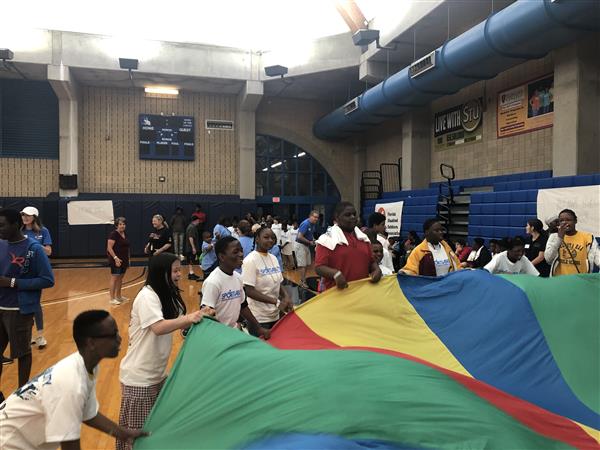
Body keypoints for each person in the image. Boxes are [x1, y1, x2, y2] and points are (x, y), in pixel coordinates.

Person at [0, 310, 147, 450]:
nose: (119, 339)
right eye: (113, 335)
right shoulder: (71, 383)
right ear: (91, 343)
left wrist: (123, 434)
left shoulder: (86, 366)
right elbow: (69, 445)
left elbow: (89, 414)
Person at [117, 253, 205, 450]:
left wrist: (201, 320)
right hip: (140, 379)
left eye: (179, 270)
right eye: (175, 271)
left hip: (157, 375)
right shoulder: (147, 296)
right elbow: (158, 327)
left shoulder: (166, 293)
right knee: (139, 438)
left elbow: (179, 323)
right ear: (161, 272)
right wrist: (189, 318)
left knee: (154, 432)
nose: (179, 274)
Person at [0, 208, 54, 399]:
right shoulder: (1, 244)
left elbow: (48, 280)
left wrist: (13, 282)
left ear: (16, 225)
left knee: (22, 353)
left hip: (19, 310)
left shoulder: (34, 248)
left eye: (2, 225)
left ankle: (22, 394)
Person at [200, 236, 270, 338]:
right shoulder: (213, 282)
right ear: (222, 257)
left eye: (241, 251)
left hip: (233, 333)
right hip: (218, 336)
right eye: (235, 252)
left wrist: (258, 327)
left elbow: (243, 306)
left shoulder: (238, 277)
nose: (241, 254)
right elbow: (206, 316)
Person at [315, 202, 382, 291]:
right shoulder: (326, 240)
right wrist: (335, 274)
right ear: (337, 218)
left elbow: (371, 262)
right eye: (347, 215)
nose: (353, 217)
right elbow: (319, 268)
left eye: (354, 214)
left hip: (361, 293)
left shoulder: (364, 239)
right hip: (337, 294)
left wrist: (377, 270)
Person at [242, 226, 293, 333]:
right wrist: (275, 301)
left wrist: (286, 297)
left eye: (272, 238)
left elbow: (278, 283)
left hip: (275, 314)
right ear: (257, 239)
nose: (270, 240)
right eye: (266, 237)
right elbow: (249, 291)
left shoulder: (273, 258)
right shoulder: (250, 260)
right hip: (259, 318)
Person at [20, 206, 52, 349]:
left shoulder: (43, 231)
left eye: (28, 215)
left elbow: (49, 251)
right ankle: (28, 335)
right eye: (23, 215)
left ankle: (40, 335)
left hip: (37, 271)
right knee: (23, 304)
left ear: (35, 217)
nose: (25, 217)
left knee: (35, 303)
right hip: (21, 270)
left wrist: (33, 244)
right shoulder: (18, 231)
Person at [545, 209, 600, 276]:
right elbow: (548, 259)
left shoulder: (588, 238)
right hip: (559, 280)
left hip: (580, 279)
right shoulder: (554, 237)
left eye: (568, 220)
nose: (564, 222)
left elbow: (598, 258)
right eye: (561, 220)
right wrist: (559, 238)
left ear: (575, 221)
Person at [107, 217, 130, 305]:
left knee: (120, 278)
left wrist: (128, 260)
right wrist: (115, 258)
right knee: (114, 278)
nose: (122, 226)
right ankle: (112, 298)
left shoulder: (125, 233)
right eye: (120, 224)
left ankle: (119, 296)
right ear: (116, 225)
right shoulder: (113, 234)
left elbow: (127, 248)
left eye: (123, 224)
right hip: (116, 260)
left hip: (124, 260)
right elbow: (109, 248)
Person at [295, 210, 319, 289]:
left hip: (306, 245)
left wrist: (313, 240)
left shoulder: (312, 224)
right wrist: (309, 242)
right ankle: (302, 282)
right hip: (300, 245)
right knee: (302, 265)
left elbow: (310, 235)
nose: (316, 219)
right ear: (310, 216)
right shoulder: (305, 224)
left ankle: (303, 279)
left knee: (306, 265)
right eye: (314, 217)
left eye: (317, 217)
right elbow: (299, 237)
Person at [185, 216, 201, 281]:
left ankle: (191, 273)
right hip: (190, 248)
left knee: (191, 261)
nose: (199, 222)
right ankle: (191, 274)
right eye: (198, 221)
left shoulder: (190, 226)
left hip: (189, 248)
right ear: (196, 220)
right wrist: (193, 248)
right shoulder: (192, 227)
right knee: (191, 261)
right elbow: (190, 237)